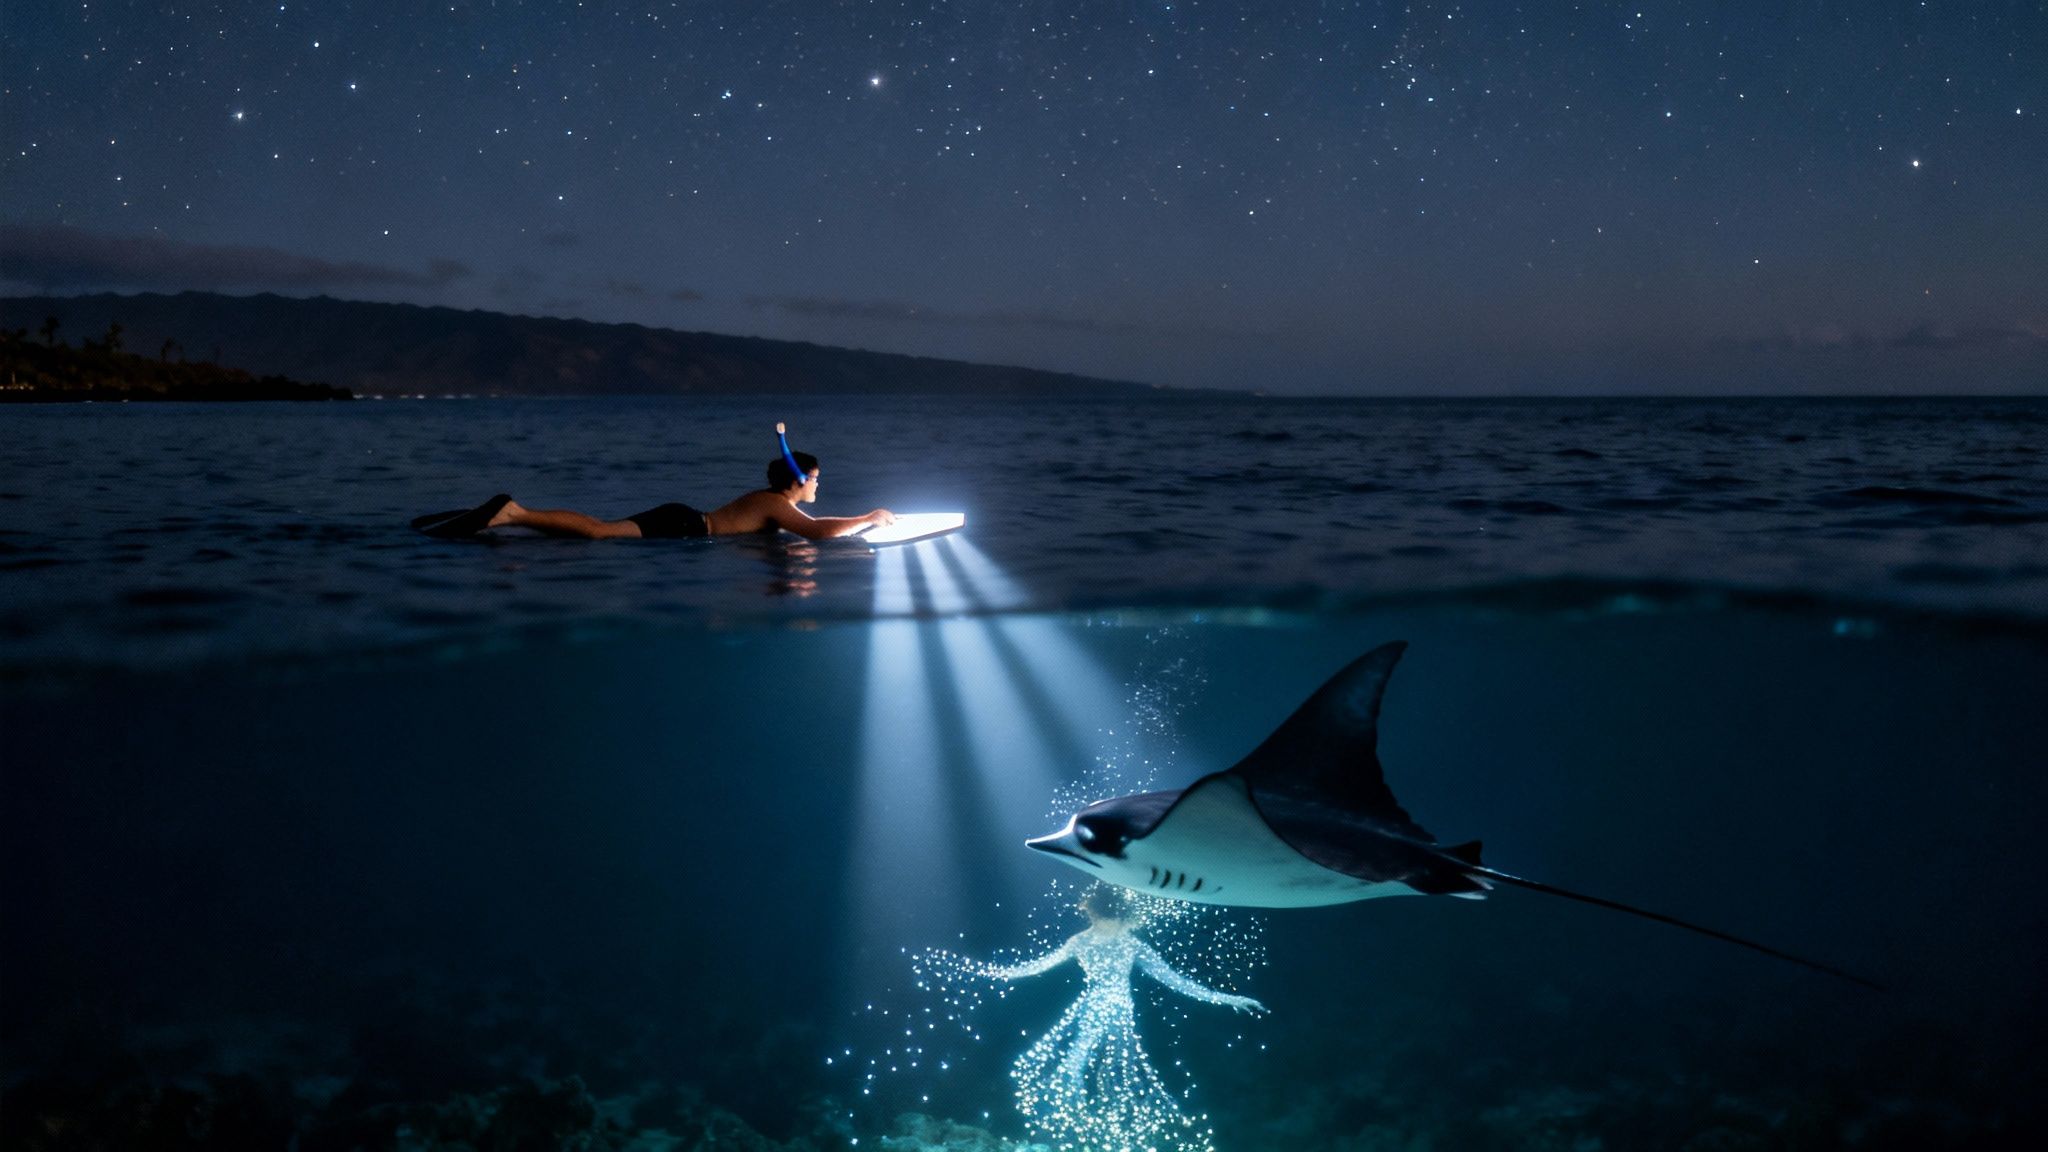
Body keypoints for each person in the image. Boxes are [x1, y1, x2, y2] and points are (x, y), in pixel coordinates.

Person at [967, 886, 1264, 1152]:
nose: (1105, 924)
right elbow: (1038, 966)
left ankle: (1077, 1127)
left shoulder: (1123, 943)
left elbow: (1176, 981)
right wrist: (993, 973)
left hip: (1111, 1007)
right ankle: (1072, 1128)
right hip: (1098, 1006)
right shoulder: (1088, 942)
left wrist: (1227, 998)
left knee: (1091, 1068)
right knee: (1083, 1066)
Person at [414, 431, 896, 540]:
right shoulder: (775, 504)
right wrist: (869, 518)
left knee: (602, 529)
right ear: (799, 479)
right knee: (601, 534)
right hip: (684, 525)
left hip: (683, 517)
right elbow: (818, 531)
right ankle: (514, 513)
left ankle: (516, 514)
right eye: (815, 479)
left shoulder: (769, 502)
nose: (819, 485)